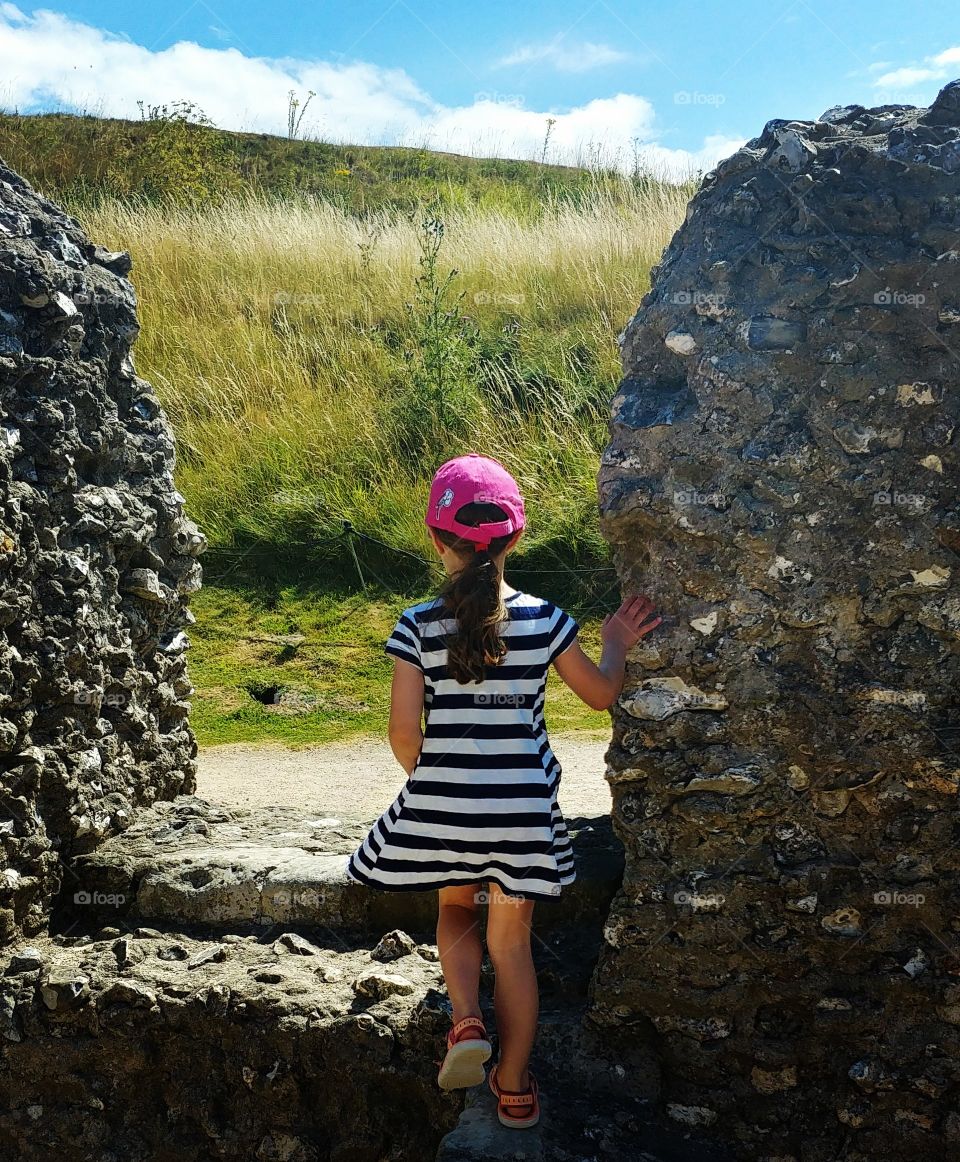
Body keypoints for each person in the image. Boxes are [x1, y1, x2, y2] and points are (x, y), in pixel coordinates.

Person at [344, 452, 661, 1130]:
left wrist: (435, 790)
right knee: (511, 945)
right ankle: (514, 1086)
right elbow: (601, 695)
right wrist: (613, 641)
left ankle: (465, 1022)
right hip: (522, 813)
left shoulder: (415, 624)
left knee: (455, 910)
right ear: (517, 538)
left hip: (447, 804)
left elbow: (404, 733)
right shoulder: (546, 620)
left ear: (435, 538)